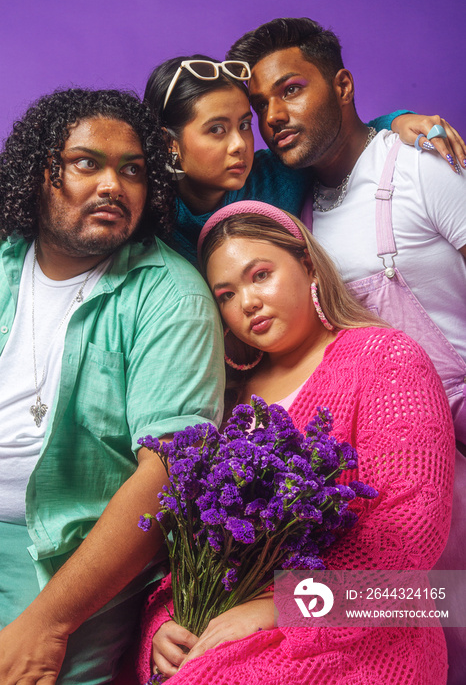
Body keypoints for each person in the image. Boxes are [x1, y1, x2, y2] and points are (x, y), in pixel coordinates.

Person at [227, 18, 466, 681]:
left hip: (460, 443)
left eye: (292, 89)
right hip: (392, 470)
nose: (275, 115)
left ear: (342, 84)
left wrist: (398, 122)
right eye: (260, 107)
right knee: (421, 627)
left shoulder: (420, 166)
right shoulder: (296, 201)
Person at [136, 201, 455, 685]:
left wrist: (282, 606)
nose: (246, 303)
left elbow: (409, 536)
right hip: (232, 629)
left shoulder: (386, 358)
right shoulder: (225, 399)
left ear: (306, 262)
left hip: (368, 631)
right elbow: (189, 543)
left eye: (260, 274)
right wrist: (165, 627)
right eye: (225, 294)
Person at [0, 88, 224, 685]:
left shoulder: (169, 295)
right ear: (38, 172)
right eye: (86, 163)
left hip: (66, 554)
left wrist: (48, 623)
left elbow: (169, 471)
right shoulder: (4, 262)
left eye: (132, 170)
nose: (112, 185)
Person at [144, 54, 463, 263]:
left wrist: (395, 120)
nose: (239, 144)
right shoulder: (148, 210)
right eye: (216, 129)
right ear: (169, 143)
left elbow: (342, 137)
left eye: (244, 125)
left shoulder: (276, 174)